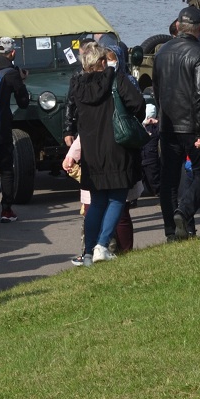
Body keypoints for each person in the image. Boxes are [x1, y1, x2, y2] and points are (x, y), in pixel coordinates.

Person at [65, 43, 149, 263]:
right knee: (117, 198)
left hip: (92, 151)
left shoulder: (77, 85)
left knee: (97, 201)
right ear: (103, 61)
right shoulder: (116, 79)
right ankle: (102, 244)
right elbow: (138, 104)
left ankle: (89, 251)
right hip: (117, 146)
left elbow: (71, 113)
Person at [151, 7, 200, 241]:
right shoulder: (199, 52)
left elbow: (157, 90)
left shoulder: (162, 51)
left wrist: (165, 113)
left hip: (168, 124)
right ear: (198, 29)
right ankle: (183, 212)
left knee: (169, 180)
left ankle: (171, 231)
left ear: (178, 27)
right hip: (191, 125)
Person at [0, 38, 29, 223]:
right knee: (6, 167)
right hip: (2, 125)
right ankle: (6, 210)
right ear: (13, 53)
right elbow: (23, 103)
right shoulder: (11, 73)